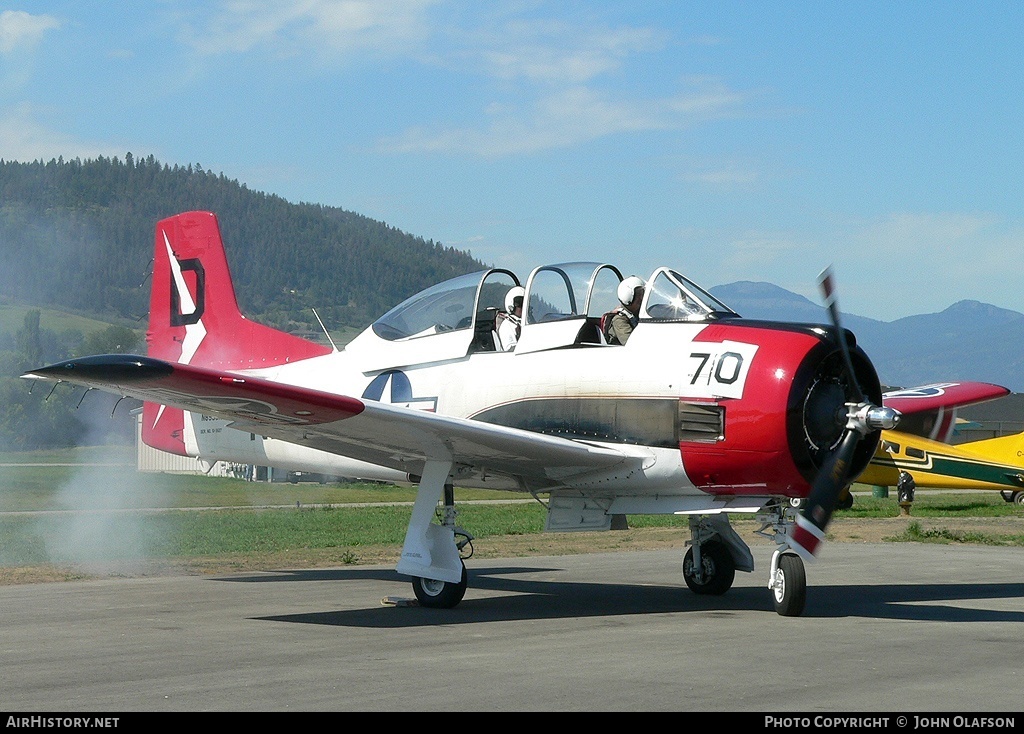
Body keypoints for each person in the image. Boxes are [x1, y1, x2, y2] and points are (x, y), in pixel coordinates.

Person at [605, 276, 645, 345]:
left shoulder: (639, 314)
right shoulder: (619, 320)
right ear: (628, 297)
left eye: (642, 294)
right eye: (639, 295)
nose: (642, 298)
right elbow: (632, 344)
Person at [498, 285, 524, 350]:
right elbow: (510, 350)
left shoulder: (526, 322)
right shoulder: (507, 325)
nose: (523, 307)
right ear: (511, 305)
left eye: (524, 303)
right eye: (520, 304)